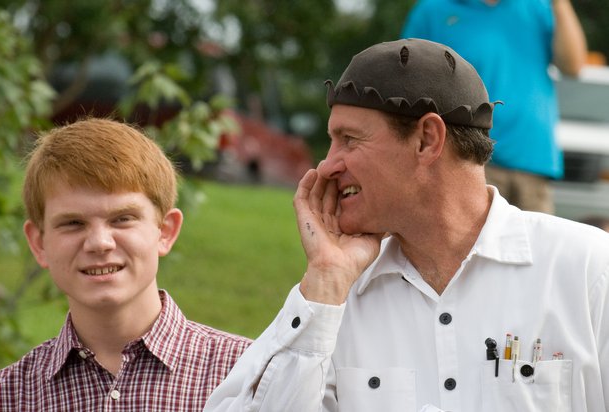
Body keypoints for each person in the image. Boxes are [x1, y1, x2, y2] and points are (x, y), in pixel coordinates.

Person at [204, 39, 609, 412]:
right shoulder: (334, 300)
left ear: (427, 140)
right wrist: (325, 283)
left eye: (349, 139)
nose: (327, 165)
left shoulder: (588, 269)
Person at [0, 118, 252, 411]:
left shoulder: (254, 379)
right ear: (38, 243)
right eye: (72, 223)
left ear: (165, 231)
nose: (99, 242)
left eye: (122, 219)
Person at [401, 0, 587, 214]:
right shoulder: (432, 10)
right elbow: (409, 81)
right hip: (466, 157)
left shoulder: (539, 7)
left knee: (535, 246)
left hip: (532, 158)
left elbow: (573, 66)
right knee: (473, 246)